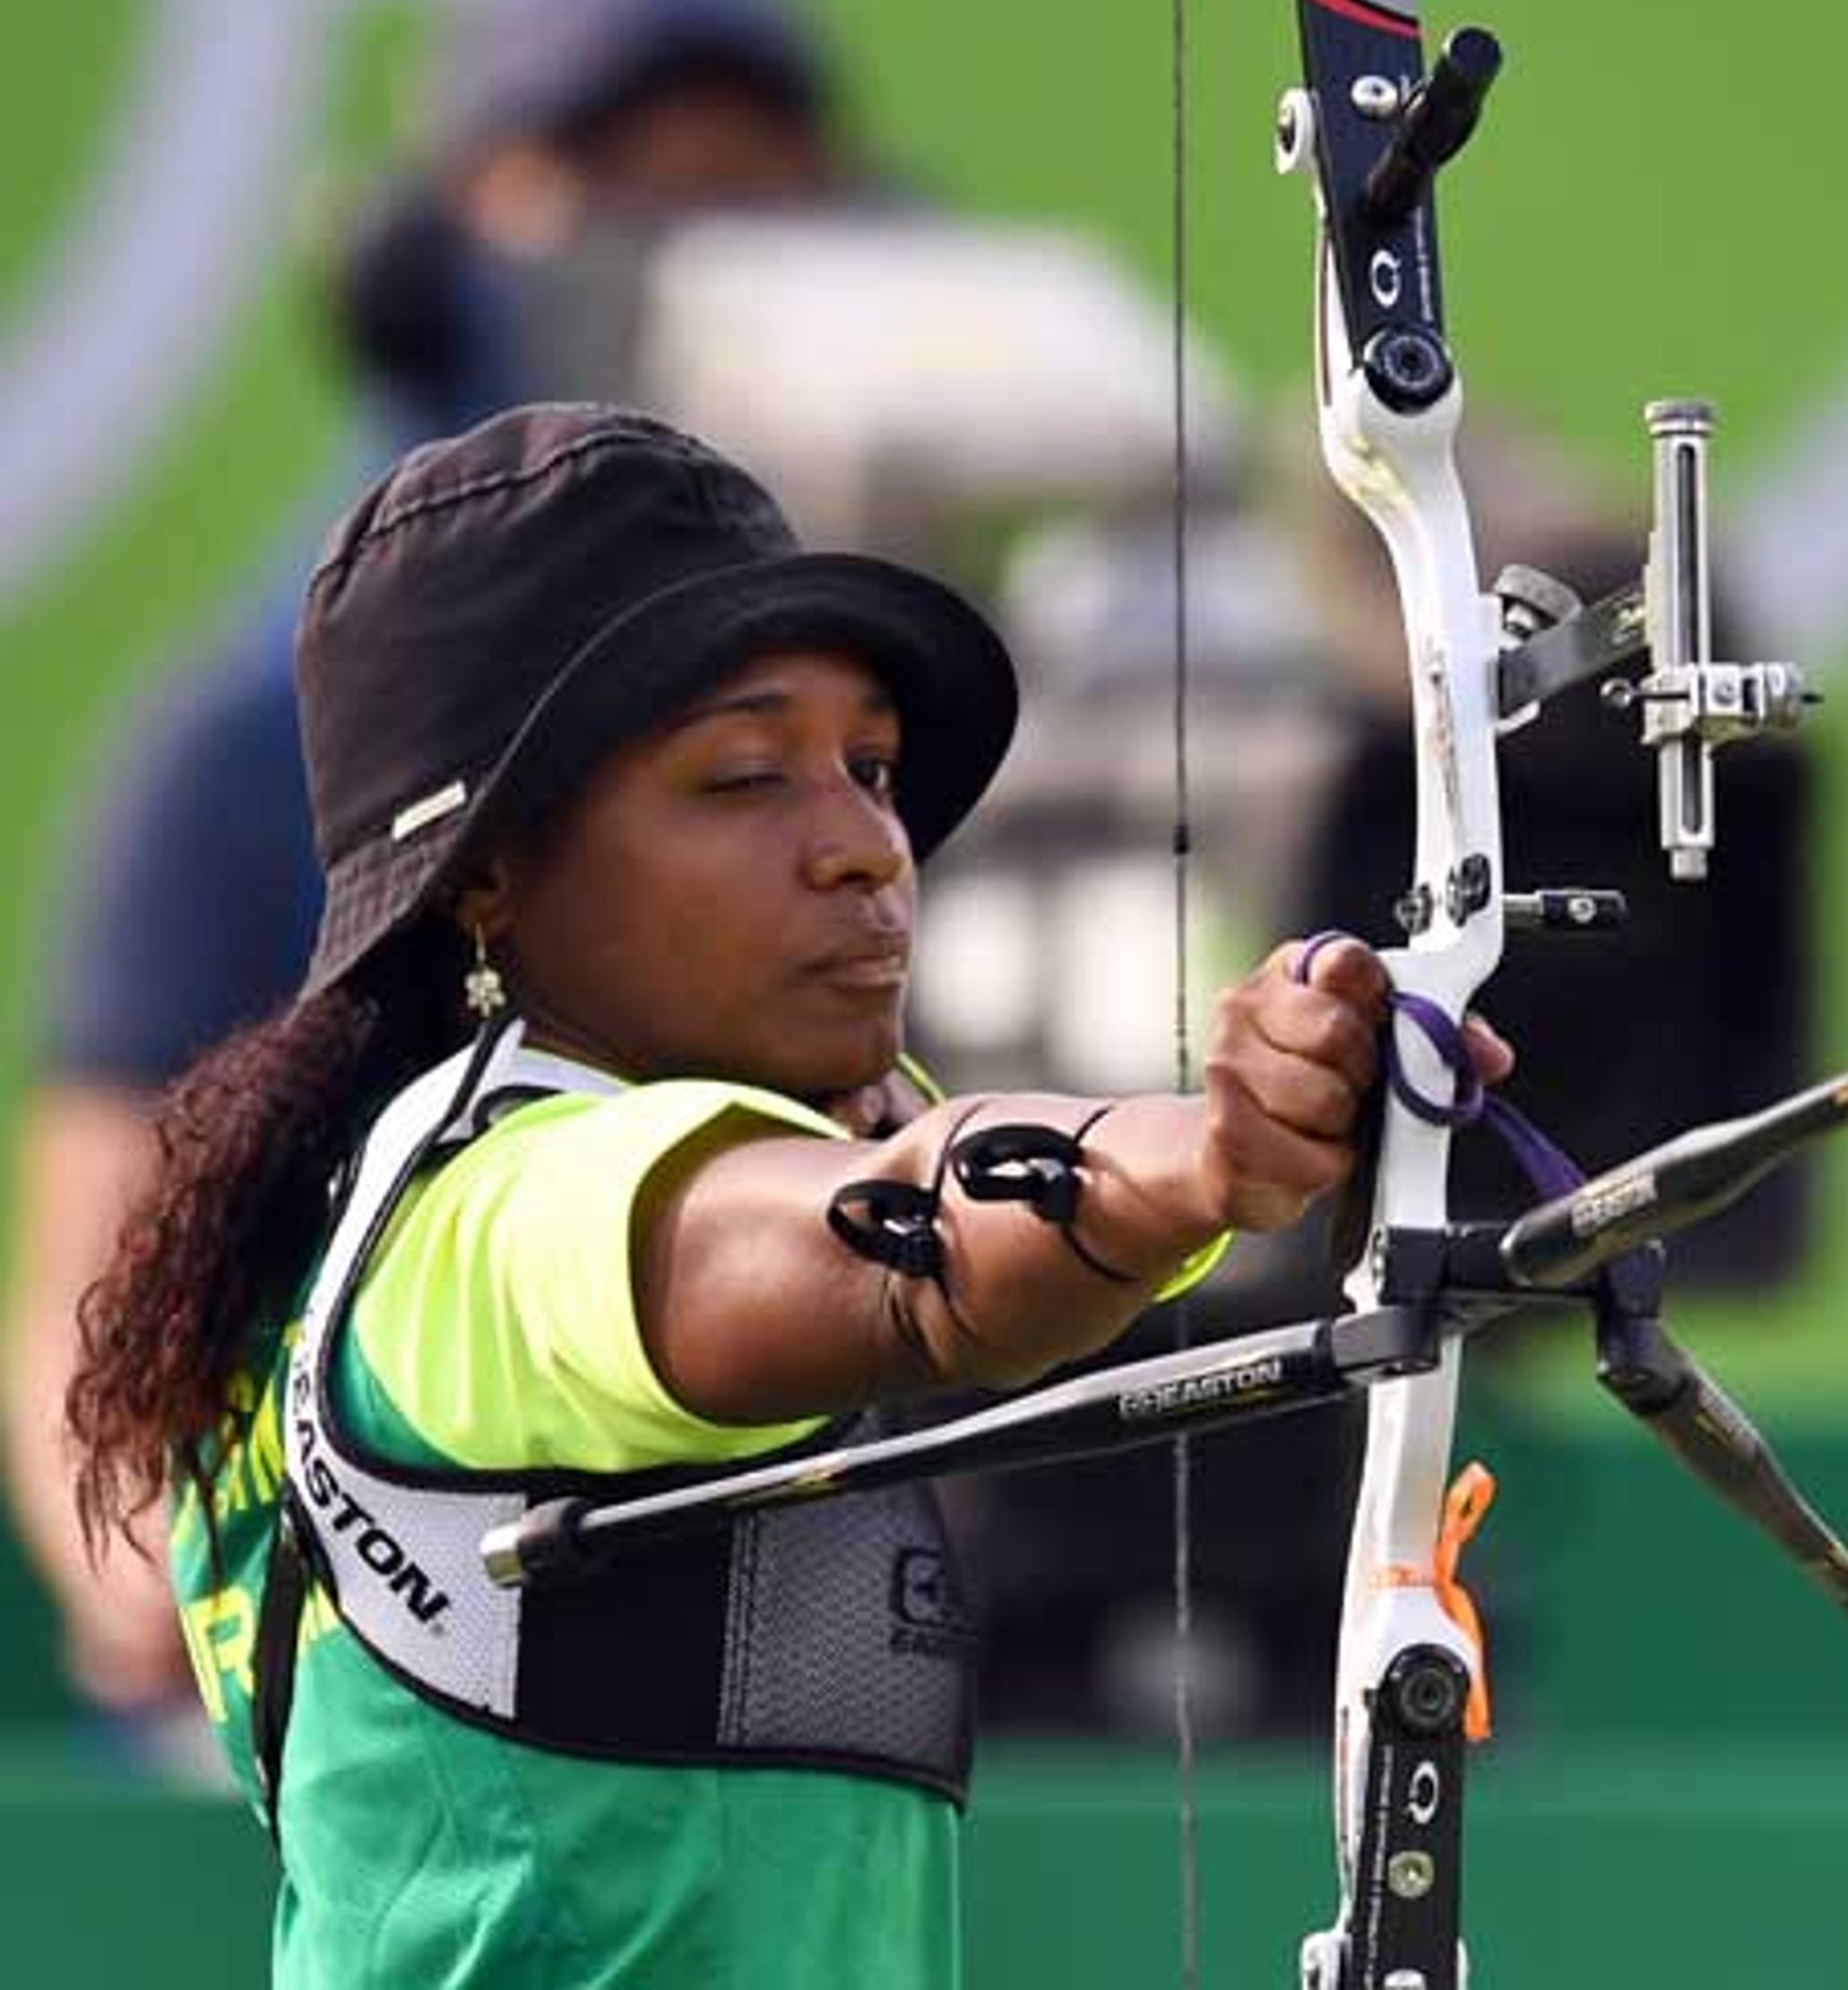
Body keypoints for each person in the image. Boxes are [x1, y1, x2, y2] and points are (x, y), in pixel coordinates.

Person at [58, 404, 1501, 1986]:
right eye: (743, 778)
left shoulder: (418, 1210)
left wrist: (1232, 1152)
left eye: (869, 766)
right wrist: (1208, 1158)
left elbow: (946, 1208)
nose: (867, 847)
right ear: (488, 875)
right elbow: (914, 1237)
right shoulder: (506, 1223)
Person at [4, 0, 853, 1758]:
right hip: (358, 1705)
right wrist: (230, 1647)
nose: (692, 243)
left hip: (764, 1675)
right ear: (431, 246)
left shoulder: (889, 715)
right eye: (623, 184)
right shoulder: (246, 744)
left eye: (754, 191)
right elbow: (93, 1314)